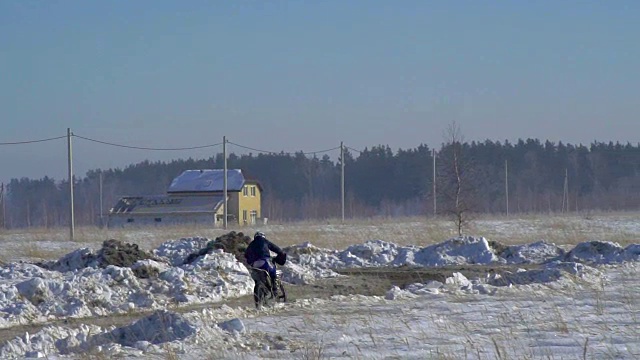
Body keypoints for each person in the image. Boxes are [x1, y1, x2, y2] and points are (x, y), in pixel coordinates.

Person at [244, 231, 287, 296]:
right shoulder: (264, 241)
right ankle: (274, 288)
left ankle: (263, 289)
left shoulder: (251, 244)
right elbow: (275, 248)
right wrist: (281, 253)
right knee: (273, 272)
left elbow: (246, 254)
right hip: (264, 261)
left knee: (258, 277)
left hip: (254, 264)